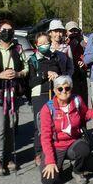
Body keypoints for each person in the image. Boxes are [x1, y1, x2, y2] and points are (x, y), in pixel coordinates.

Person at [0, 19, 27, 176]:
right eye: (4, 30)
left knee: (11, 126)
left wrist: (17, 74)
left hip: (13, 92)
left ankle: (8, 157)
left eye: (10, 30)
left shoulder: (18, 48)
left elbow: (26, 68)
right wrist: (0, 75)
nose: (7, 33)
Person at [40, 75, 93, 184]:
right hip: (56, 145)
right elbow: (45, 137)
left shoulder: (77, 100)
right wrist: (50, 161)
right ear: (55, 90)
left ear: (71, 89)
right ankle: (54, 163)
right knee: (48, 181)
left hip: (73, 142)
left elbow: (86, 114)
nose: (64, 91)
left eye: (67, 88)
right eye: (60, 89)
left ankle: (77, 171)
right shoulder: (47, 109)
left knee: (83, 148)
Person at [27, 32, 66, 166]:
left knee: (55, 123)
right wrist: (45, 74)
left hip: (55, 94)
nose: (44, 45)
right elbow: (31, 81)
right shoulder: (33, 60)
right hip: (39, 95)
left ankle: (54, 149)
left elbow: (62, 75)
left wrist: (57, 76)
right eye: (41, 43)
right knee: (40, 125)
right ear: (36, 45)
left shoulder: (55, 57)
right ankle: (39, 152)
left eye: (46, 43)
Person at [66, 21, 88, 103]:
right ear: (66, 32)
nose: (74, 33)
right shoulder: (64, 43)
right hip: (70, 76)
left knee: (83, 101)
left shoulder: (83, 42)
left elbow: (88, 55)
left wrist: (84, 63)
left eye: (75, 30)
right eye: (71, 31)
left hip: (81, 74)